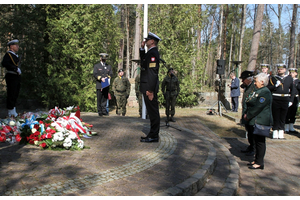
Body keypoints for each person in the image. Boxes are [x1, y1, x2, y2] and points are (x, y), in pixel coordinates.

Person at [244, 73, 273, 170]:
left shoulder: (265, 92)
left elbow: (258, 107)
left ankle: (259, 163)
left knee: (260, 142)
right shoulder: (259, 90)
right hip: (256, 120)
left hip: (261, 120)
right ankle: (256, 160)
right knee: (256, 141)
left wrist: (248, 115)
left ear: (262, 82)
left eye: (256, 81)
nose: (255, 83)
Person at [139, 32, 161, 143]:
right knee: (151, 111)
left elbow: (152, 73)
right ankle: (153, 134)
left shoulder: (153, 54)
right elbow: (143, 62)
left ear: (152, 41)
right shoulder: (150, 53)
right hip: (147, 87)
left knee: (153, 112)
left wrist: (151, 90)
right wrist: (142, 49)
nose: (146, 41)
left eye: (147, 40)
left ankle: (153, 135)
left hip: (149, 88)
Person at [267, 64, 294, 139]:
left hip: (285, 99)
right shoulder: (273, 78)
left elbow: (293, 90)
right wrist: (275, 86)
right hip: (276, 98)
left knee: (283, 116)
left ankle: (281, 131)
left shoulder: (289, 78)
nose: (280, 70)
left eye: (281, 69)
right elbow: (268, 88)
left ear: (285, 70)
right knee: (276, 116)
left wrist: (291, 100)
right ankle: (275, 131)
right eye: (279, 69)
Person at [1, 39, 21, 117]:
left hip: (16, 76)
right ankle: (10, 112)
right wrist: (14, 69)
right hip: (11, 76)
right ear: (11, 46)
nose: (18, 47)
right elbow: (4, 63)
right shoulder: (8, 55)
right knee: (11, 93)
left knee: (15, 93)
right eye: (16, 45)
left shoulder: (15, 55)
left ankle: (13, 111)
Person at [240, 70, 256, 156]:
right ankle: (250, 146)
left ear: (249, 79)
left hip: (250, 114)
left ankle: (253, 148)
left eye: (243, 79)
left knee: (252, 132)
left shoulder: (253, 87)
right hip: (246, 112)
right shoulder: (247, 85)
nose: (242, 81)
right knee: (249, 131)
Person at [285, 68, 300, 133]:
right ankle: (286, 127)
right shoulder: (287, 80)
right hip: (288, 98)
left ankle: (291, 126)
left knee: (293, 112)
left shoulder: (297, 81)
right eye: (290, 72)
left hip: (295, 98)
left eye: (293, 73)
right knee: (287, 112)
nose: (292, 74)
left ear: (296, 73)